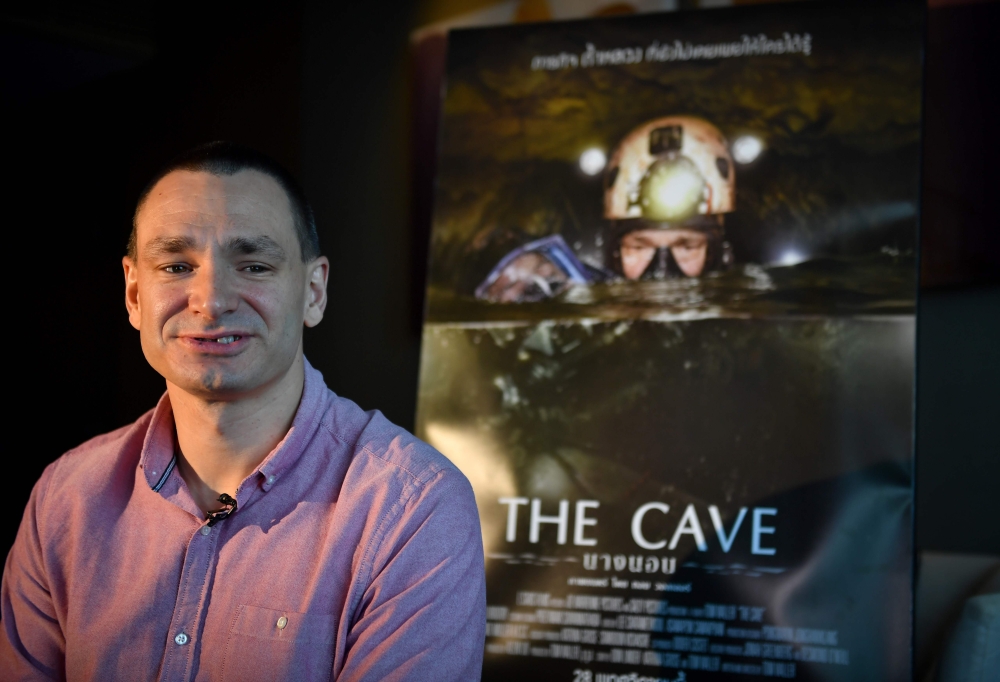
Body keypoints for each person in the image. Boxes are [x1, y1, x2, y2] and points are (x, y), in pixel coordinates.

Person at [0, 142, 486, 681]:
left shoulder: (411, 509)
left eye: (253, 265)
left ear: (314, 291)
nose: (211, 300)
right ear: (134, 294)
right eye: (177, 265)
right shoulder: (66, 498)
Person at [478, 116, 735, 303]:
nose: (661, 271)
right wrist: (537, 267)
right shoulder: (594, 292)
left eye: (687, 247)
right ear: (613, 250)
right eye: (639, 247)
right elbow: (579, 276)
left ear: (718, 253)